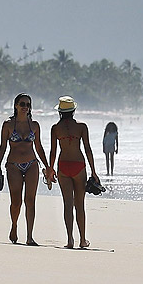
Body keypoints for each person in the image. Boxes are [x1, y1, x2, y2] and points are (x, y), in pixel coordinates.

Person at [0, 93, 52, 246]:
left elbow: (39, 147)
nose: (25, 107)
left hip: (32, 163)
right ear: (16, 106)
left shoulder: (35, 125)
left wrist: (47, 166)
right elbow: (3, 147)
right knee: (16, 202)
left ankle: (30, 236)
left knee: (30, 200)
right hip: (13, 166)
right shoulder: (8, 125)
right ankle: (14, 226)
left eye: (28, 104)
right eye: (22, 104)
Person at [49, 95, 98, 249]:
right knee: (79, 205)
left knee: (67, 204)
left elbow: (53, 151)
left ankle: (70, 239)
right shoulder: (82, 127)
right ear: (74, 111)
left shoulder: (55, 129)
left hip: (63, 165)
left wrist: (50, 170)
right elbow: (88, 149)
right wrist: (94, 172)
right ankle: (83, 239)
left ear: (60, 112)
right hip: (79, 165)